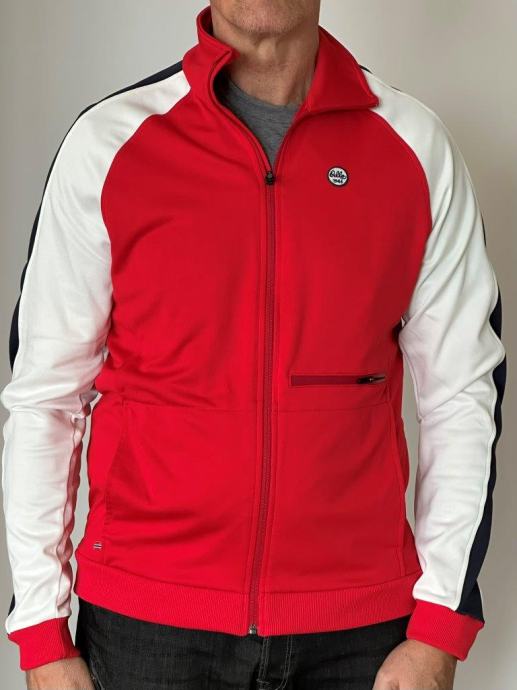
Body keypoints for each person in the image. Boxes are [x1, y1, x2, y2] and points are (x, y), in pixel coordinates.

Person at [1, 2, 506, 689]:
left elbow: (462, 393)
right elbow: (45, 397)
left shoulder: (414, 146)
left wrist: (439, 625)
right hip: (147, 628)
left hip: (356, 634)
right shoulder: (108, 144)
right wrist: (41, 633)